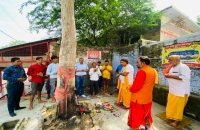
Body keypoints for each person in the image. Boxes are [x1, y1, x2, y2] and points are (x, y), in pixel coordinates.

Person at [128, 56, 158, 130]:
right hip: (148, 98)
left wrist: (129, 87)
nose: (136, 64)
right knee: (146, 114)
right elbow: (154, 82)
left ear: (143, 63)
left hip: (138, 99)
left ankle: (137, 127)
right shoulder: (153, 70)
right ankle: (146, 125)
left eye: (137, 62)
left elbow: (135, 88)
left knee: (137, 116)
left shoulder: (142, 72)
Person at [164, 55, 191, 127]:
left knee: (179, 108)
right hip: (173, 90)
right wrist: (168, 74)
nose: (169, 61)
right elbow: (171, 74)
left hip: (181, 91)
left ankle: (177, 121)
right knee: (172, 105)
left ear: (176, 60)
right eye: (169, 60)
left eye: (170, 60)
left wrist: (170, 76)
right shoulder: (172, 67)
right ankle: (172, 117)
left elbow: (186, 78)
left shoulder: (183, 67)